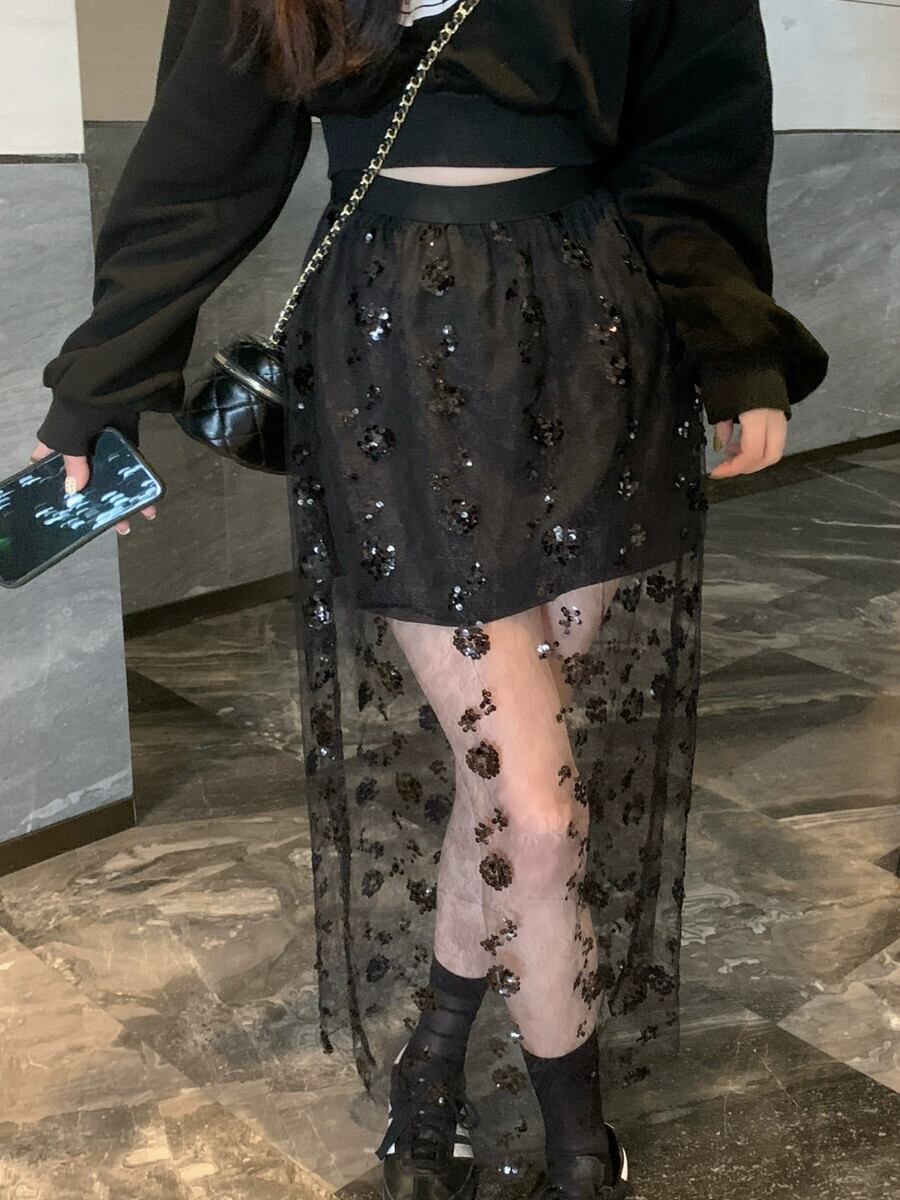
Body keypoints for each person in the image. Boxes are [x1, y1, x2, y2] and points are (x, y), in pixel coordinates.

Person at [31, 2, 829, 1199]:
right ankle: (578, 1142)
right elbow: (203, 159)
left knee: (502, 781)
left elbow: (697, 129)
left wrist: (733, 346)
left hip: (594, 346)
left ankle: (433, 1065)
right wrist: (98, 385)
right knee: (539, 813)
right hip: (393, 354)